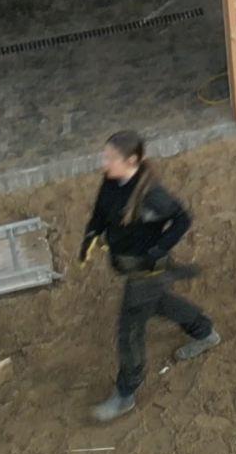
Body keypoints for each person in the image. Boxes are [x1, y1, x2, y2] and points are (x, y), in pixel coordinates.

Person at [83, 130, 218, 421]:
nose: (105, 164)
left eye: (111, 159)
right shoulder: (112, 181)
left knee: (129, 329)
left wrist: (160, 248)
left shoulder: (153, 196)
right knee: (158, 303)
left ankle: (125, 394)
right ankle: (203, 331)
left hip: (147, 270)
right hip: (130, 265)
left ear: (131, 160)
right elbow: (100, 209)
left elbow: (183, 218)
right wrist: (92, 232)